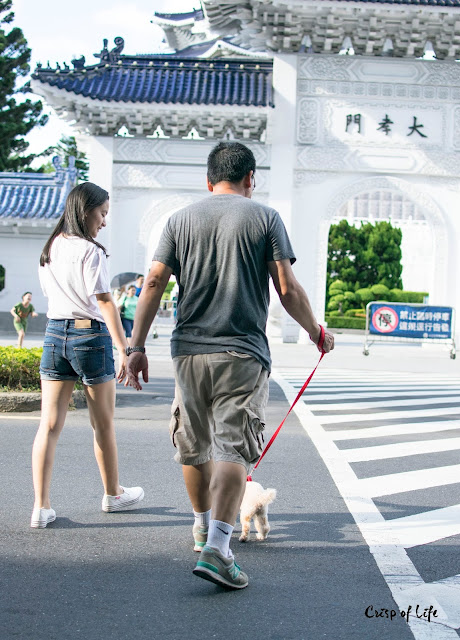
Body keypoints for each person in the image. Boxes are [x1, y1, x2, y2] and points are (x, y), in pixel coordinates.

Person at [126, 141, 335, 590]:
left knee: (193, 441)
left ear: (208, 180)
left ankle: (202, 526)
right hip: (242, 353)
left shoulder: (179, 220)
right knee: (232, 448)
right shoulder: (264, 217)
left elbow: (154, 283)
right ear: (250, 180)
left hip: (187, 353)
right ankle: (219, 549)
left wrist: (135, 346)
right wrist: (317, 333)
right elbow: (287, 288)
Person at [31, 182, 144, 529]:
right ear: (85, 211)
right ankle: (113, 494)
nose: (104, 221)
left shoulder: (50, 247)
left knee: (48, 426)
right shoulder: (91, 250)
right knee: (103, 424)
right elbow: (105, 301)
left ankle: (41, 507)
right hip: (89, 337)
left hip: (54, 334)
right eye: (103, 213)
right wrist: (126, 349)